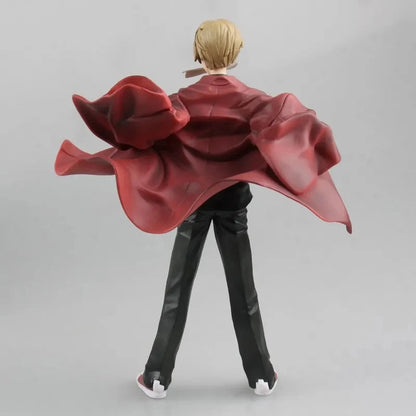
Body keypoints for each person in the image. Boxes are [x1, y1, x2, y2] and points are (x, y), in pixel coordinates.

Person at [55, 18, 351, 399]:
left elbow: (149, 132)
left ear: (198, 53)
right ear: (236, 52)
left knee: (177, 290)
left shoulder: (181, 101)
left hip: (190, 204)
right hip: (233, 208)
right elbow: (284, 125)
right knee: (243, 290)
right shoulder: (254, 100)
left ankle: (157, 376)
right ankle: (261, 375)